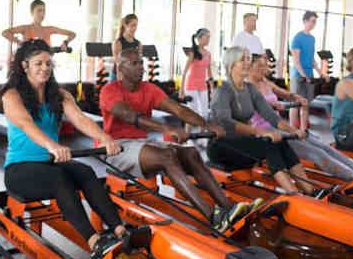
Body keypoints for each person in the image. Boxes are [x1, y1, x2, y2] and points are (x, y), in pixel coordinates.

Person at [99, 48, 261, 233]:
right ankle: (212, 217)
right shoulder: (109, 90)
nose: (141, 67)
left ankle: (229, 207)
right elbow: (129, 115)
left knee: (191, 153)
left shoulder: (149, 89)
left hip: (143, 143)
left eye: (141, 63)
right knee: (167, 156)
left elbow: (178, 109)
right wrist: (165, 129)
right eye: (134, 63)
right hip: (116, 148)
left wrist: (206, 124)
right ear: (121, 67)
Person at [1, 39, 126, 259]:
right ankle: (95, 243)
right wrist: (53, 146)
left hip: (50, 163)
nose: (45, 68)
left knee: (86, 172)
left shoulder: (59, 95)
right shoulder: (12, 95)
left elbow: (79, 118)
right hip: (19, 169)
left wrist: (105, 138)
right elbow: (26, 124)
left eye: (48, 63)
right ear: (24, 66)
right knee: (59, 177)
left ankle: (120, 231)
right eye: (38, 63)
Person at [248, 54, 353, 181]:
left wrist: (297, 97)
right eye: (259, 66)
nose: (263, 69)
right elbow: (264, 105)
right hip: (267, 134)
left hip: (282, 128)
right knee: (317, 153)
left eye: (265, 66)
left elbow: (285, 94)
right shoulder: (248, 88)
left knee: (324, 146)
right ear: (249, 67)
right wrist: (279, 105)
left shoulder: (265, 82)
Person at [209, 46, 316, 195]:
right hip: (222, 146)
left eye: (248, 59)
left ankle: (310, 191)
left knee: (282, 142)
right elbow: (227, 122)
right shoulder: (223, 91)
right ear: (231, 64)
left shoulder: (250, 89)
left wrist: (294, 131)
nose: (247, 63)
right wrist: (261, 132)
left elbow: (271, 116)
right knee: (268, 145)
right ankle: (294, 194)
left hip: (244, 143)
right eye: (242, 60)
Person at [290, 11, 327, 130]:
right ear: (305, 21)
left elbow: (311, 59)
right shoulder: (297, 38)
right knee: (295, 104)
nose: (313, 24)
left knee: (306, 105)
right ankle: (292, 129)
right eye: (312, 21)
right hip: (298, 76)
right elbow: (296, 60)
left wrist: (320, 72)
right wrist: (304, 75)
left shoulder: (312, 39)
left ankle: (303, 130)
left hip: (309, 76)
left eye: (315, 22)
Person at [1, 0, 76, 50]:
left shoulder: (50, 29)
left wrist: (65, 42)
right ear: (31, 12)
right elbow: (5, 33)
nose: (42, 14)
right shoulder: (25, 28)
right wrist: (20, 43)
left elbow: (72, 34)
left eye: (44, 11)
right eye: (39, 10)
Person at [179, 28, 215, 135]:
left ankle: (202, 136)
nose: (209, 39)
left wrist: (212, 88)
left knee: (204, 113)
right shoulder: (193, 53)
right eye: (207, 37)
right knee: (192, 113)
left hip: (203, 86)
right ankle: (186, 136)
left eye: (209, 37)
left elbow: (209, 73)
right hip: (191, 85)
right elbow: (184, 72)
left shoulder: (208, 54)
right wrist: (181, 90)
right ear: (200, 38)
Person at [110, 13, 142, 81]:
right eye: (132, 25)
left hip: (131, 77)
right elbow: (118, 64)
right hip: (118, 77)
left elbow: (138, 64)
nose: (134, 28)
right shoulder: (117, 43)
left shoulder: (138, 44)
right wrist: (119, 82)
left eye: (136, 25)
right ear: (125, 25)